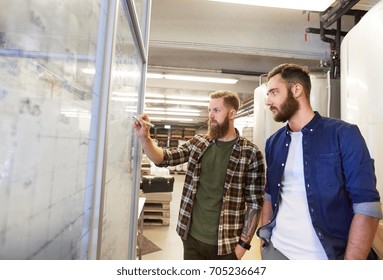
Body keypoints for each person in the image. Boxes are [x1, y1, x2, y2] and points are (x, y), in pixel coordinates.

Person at [256, 63, 382, 260]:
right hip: (277, 252)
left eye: (273, 92)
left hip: (324, 257)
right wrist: (265, 243)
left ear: (296, 90)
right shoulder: (274, 142)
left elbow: (367, 207)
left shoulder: (344, 134)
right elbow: (270, 195)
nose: (268, 101)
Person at [134, 90, 265, 260]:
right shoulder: (199, 143)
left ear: (232, 113)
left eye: (216, 110)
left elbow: (255, 203)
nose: (210, 115)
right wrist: (146, 138)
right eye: (209, 110)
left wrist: (242, 247)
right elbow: (164, 158)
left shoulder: (250, 153)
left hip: (226, 245)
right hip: (191, 239)